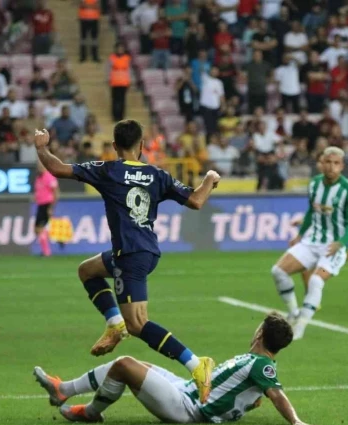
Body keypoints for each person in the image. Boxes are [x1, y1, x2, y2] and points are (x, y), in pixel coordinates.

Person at [34, 119, 220, 402]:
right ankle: (114, 324)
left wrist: (41, 148)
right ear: (142, 146)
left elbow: (58, 168)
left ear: (114, 145)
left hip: (131, 256)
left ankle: (197, 364)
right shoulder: (158, 174)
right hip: (142, 251)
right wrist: (209, 179)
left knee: (138, 324)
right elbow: (196, 201)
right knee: (88, 270)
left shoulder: (107, 170)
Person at [33, 313, 317, 425]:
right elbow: (248, 394)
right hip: (186, 388)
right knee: (138, 365)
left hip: (188, 407)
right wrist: (244, 404)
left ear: (260, 334)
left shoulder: (263, 365)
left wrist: (295, 420)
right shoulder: (255, 361)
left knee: (124, 365)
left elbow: (276, 394)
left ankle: (90, 412)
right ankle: (63, 390)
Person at [270, 146, 348, 340]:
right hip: (312, 241)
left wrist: (341, 243)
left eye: (336, 163)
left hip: (333, 246)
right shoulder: (315, 184)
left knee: (316, 281)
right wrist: (300, 235)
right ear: (321, 163)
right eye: (328, 162)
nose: (331, 167)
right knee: (278, 271)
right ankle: (293, 313)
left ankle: (300, 327)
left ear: (342, 166)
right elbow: (312, 212)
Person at [33, 162, 59, 257]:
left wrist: (51, 208)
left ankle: (46, 252)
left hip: (46, 204)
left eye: (41, 166)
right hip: (40, 205)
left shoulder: (49, 177)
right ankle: (55, 242)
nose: (39, 168)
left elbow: (56, 192)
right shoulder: (38, 178)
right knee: (37, 229)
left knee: (40, 228)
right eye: (38, 167)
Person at [108, 42, 132, 121]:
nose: (120, 50)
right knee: (115, 100)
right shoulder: (112, 57)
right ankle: (115, 116)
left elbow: (129, 70)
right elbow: (108, 69)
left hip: (124, 82)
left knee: (122, 100)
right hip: (114, 82)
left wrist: (129, 81)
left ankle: (121, 116)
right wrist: (108, 79)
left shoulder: (127, 58)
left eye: (121, 48)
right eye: (119, 48)